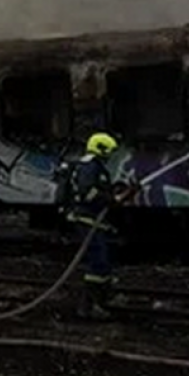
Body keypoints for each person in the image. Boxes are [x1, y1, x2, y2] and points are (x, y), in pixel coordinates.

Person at [64, 132, 131, 320]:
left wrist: (121, 193)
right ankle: (88, 306)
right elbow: (88, 193)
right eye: (108, 152)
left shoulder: (95, 166)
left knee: (104, 259)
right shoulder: (89, 166)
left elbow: (100, 191)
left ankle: (103, 298)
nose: (110, 156)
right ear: (101, 150)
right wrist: (112, 199)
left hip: (94, 221)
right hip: (86, 220)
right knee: (98, 261)